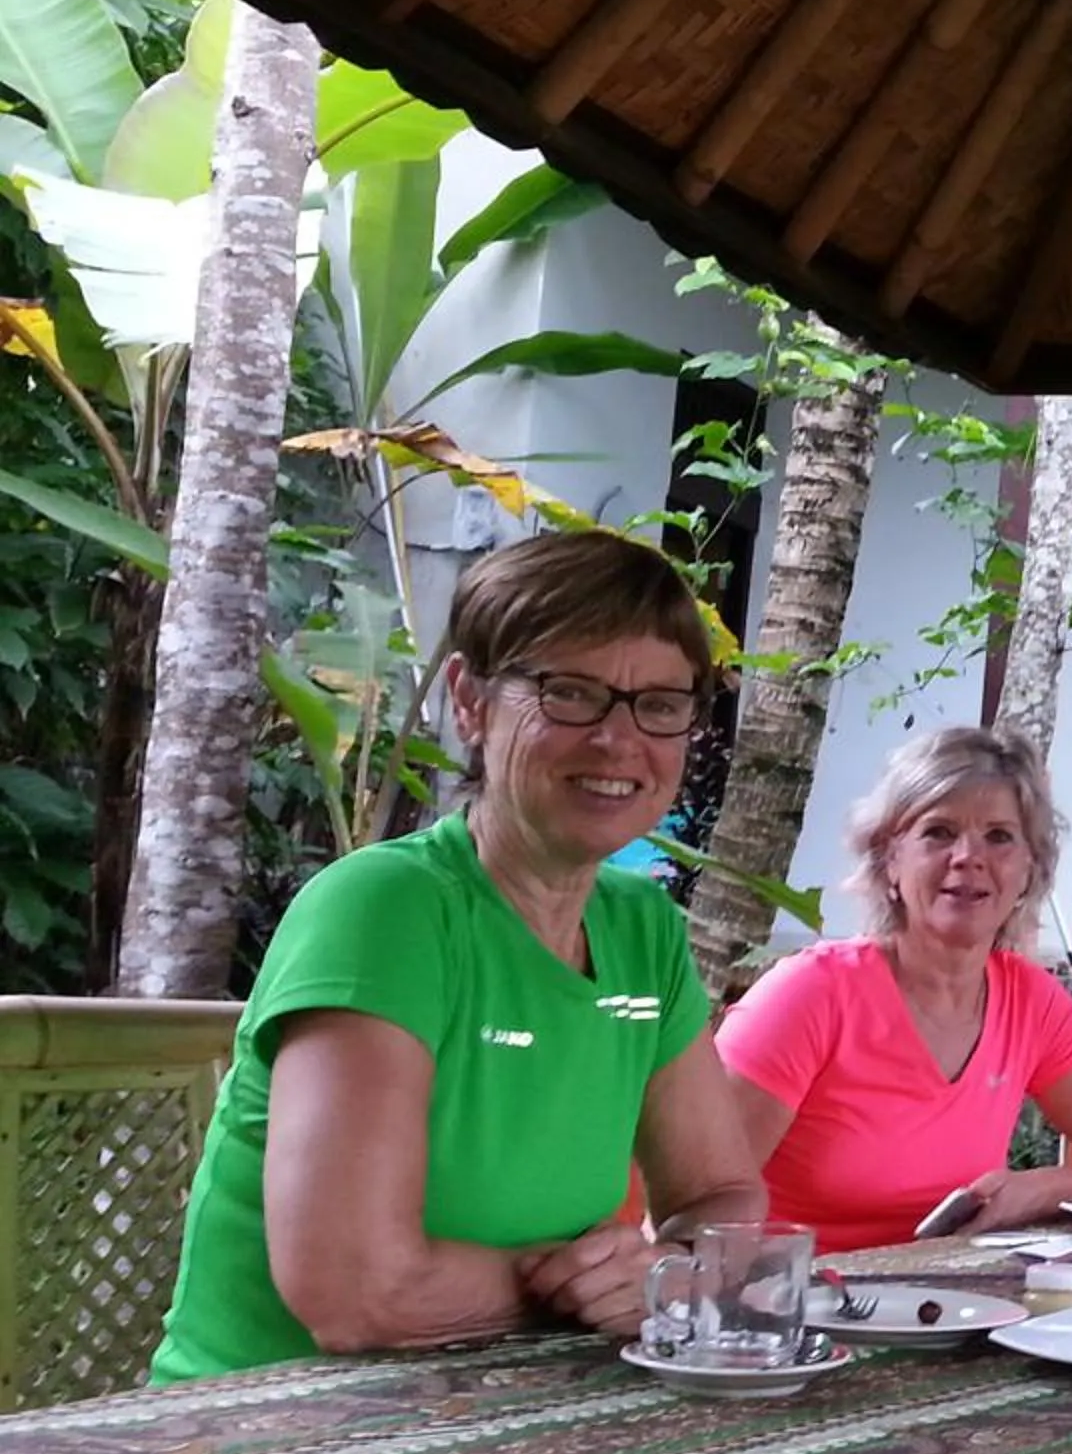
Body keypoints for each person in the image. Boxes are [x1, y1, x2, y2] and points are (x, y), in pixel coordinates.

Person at [150, 531, 767, 1382]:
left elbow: (720, 1202)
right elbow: (354, 1295)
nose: (619, 740)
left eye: (661, 703)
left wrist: (664, 1276)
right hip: (267, 1441)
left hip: (514, 1409)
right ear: (470, 702)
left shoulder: (642, 930)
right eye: (570, 694)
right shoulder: (385, 911)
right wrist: (571, 1292)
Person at [718, 725, 1072, 1251]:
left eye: (999, 836)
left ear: (1030, 869)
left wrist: (1040, 1188)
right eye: (939, 832)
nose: (968, 856)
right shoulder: (809, 994)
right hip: (802, 1313)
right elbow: (697, 1197)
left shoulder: (1032, 1001)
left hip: (950, 1309)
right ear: (890, 859)